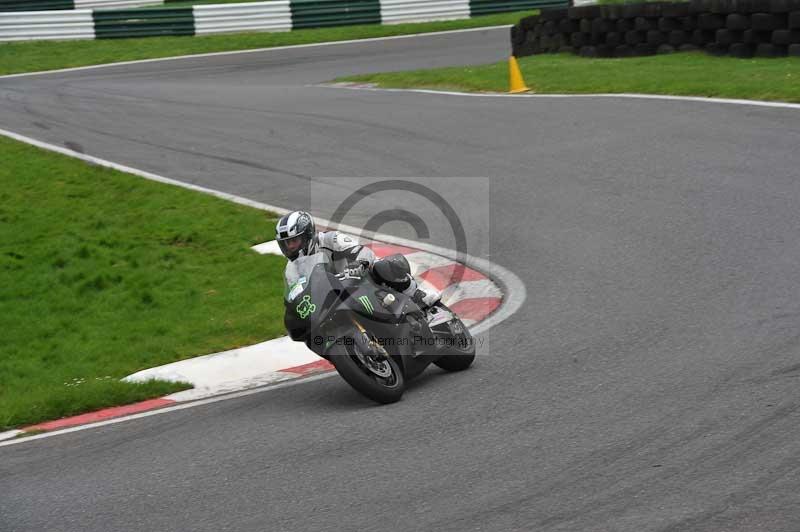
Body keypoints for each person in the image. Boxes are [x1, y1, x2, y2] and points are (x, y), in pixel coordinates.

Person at [276, 210, 439, 310]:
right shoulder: (292, 270)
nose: (290, 247)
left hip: (364, 280)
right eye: (286, 244)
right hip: (336, 297)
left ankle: (418, 295)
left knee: (382, 266)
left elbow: (364, 251)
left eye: (293, 241)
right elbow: (297, 295)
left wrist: (359, 263)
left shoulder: (331, 239)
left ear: (307, 235)